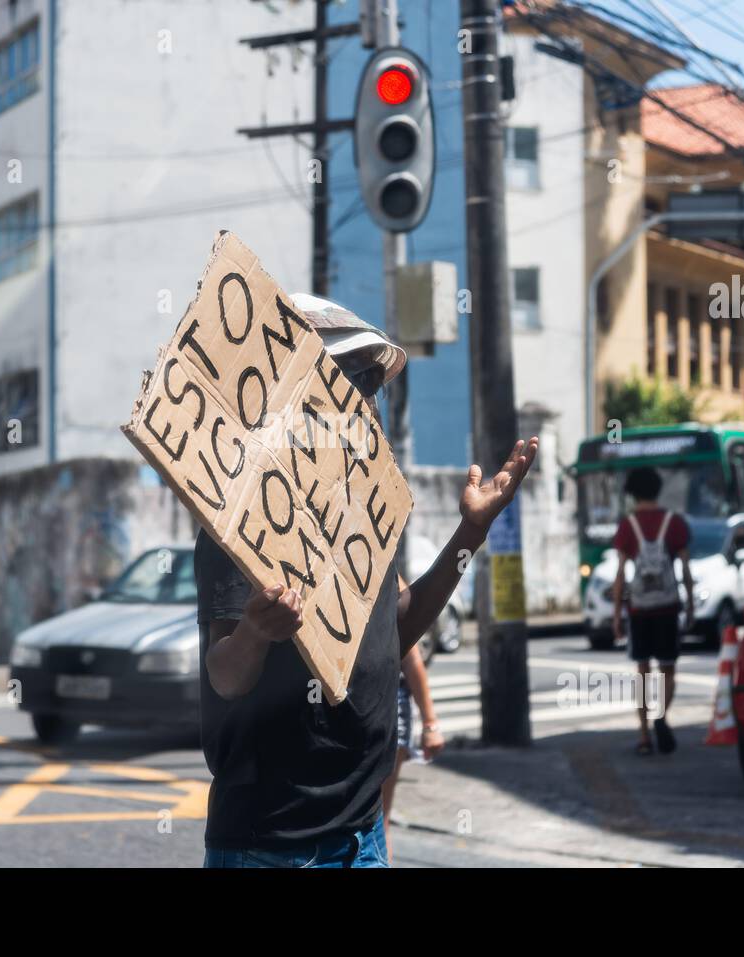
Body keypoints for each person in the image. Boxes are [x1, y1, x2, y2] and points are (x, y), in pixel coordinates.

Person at [197, 293, 537, 868]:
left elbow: (392, 630)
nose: (365, 399)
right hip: (273, 846)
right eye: (349, 379)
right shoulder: (245, 518)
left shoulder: (368, 511)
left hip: (361, 833)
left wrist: (470, 535)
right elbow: (225, 676)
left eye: (370, 383)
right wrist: (255, 632)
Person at [610, 466, 693, 757]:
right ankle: (661, 716)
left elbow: (620, 574)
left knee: (643, 671)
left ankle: (644, 736)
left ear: (633, 494)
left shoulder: (627, 526)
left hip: (640, 609)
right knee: (668, 669)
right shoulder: (674, 523)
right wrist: (690, 605)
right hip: (668, 607)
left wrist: (617, 615)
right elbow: (684, 568)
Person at [380, 633, 443, 865]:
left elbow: (412, 658)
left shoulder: (387, 595)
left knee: (378, 819)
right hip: (339, 712)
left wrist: (430, 723)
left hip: (387, 709)